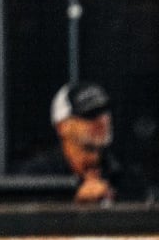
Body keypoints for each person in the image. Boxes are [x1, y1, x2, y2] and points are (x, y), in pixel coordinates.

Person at [19, 81, 149, 204]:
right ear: (62, 127)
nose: (102, 121)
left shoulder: (128, 175)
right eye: (89, 114)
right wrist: (76, 205)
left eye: (104, 112)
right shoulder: (37, 177)